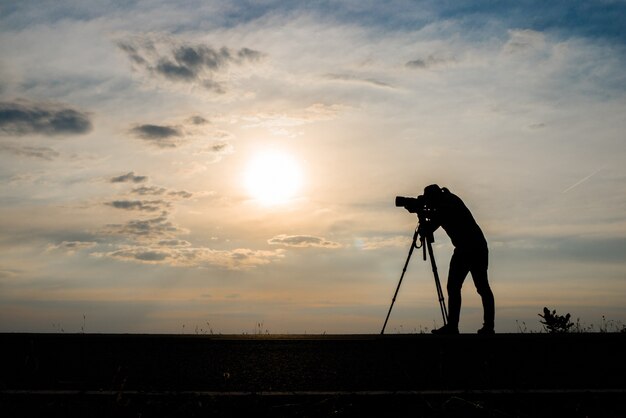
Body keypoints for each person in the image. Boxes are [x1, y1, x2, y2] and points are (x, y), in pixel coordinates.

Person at [421, 184, 495, 334]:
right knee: (474, 287)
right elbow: (434, 221)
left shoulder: (447, 204)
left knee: (474, 287)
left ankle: (458, 327)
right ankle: (476, 326)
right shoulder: (448, 200)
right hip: (473, 247)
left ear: (434, 197)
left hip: (469, 248)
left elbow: (433, 223)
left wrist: (422, 215)